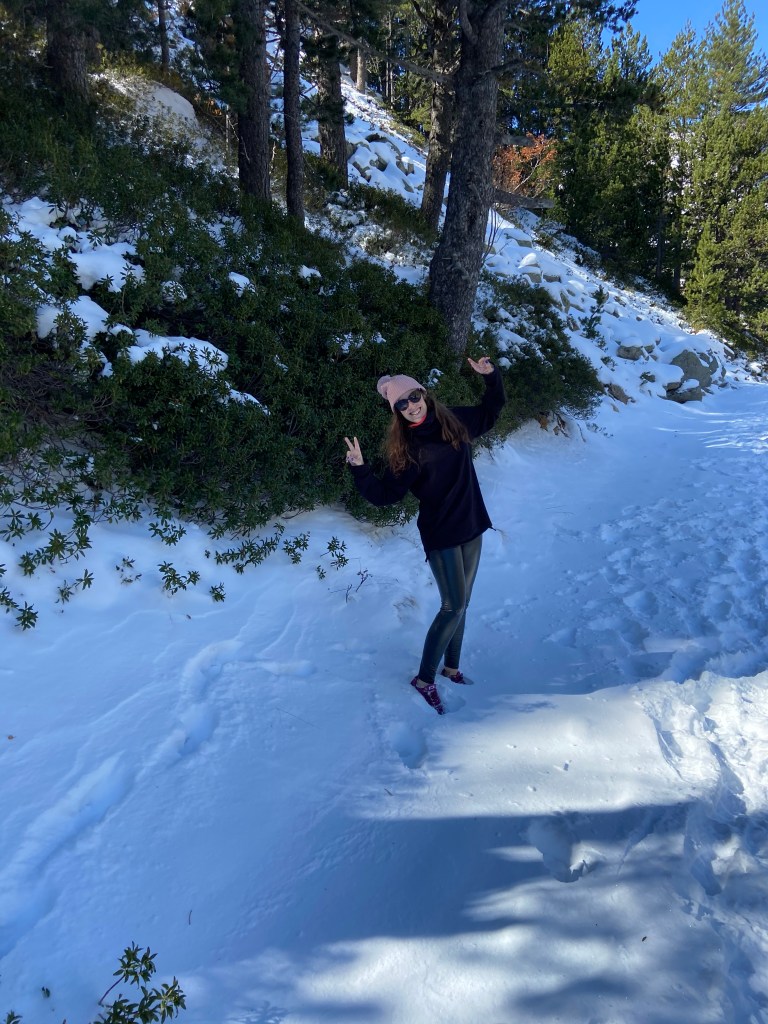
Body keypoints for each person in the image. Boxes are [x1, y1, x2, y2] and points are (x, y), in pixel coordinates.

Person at [344, 356, 506, 714]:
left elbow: (491, 410)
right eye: (401, 404)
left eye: (413, 397)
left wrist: (491, 377)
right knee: (453, 606)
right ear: (396, 412)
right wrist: (360, 469)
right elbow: (386, 495)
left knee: (463, 604)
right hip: (441, 532)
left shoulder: (454, 421)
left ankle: (452, 668)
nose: (411, 406)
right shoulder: (407, 449)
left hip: (472, 523)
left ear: (424, 394)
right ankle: (424, 680)